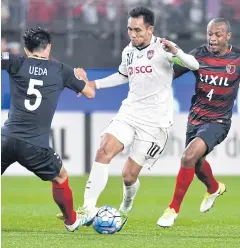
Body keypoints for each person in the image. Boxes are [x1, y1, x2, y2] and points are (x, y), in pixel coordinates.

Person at [56, 6, 199, 229]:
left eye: (138, 30)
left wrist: (176, 51)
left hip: (155, 123)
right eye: (130, 29)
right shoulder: (128, 51)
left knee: (128, 176)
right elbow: (123, 75)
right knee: (104, 149)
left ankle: (126, 204)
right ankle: (87, 208)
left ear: (150, 29)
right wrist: (95, 84)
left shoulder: (164, 47)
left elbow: (194, 65)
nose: (133, 34)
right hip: (130, 112)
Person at [1, 27, 95, 232]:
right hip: (35, 145)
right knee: (60, 176)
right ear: (49, 47)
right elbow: (89, 93)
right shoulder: (61, 70)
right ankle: (71, 221)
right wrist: (81, 77)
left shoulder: (16, 62)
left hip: (6, 139)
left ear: (26, 48)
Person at [158, 18, 240, 227]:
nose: (212, 38)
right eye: (210, 34)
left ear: (228, 36)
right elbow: (171, 74)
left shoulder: (237, 59)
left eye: (218, 34)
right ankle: (213, 188)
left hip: (219, 121)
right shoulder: (199, 54)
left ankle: (172, 209)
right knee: (196, 164)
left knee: (188, 157)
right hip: (195, 119)